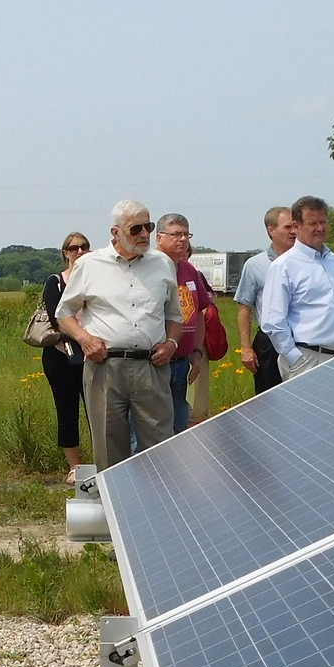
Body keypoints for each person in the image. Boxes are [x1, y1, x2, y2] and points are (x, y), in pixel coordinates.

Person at [55, 201, 181, 469]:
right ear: (115, 232)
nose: (144, 234)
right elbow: (64, 314)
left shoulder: (163, 264)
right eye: (136, 229)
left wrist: (171, 343)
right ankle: (116, 508)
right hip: (105, 367)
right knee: (109, 444)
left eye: (148, 226)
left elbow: (174, 315)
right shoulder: (89, 265)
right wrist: (85, 339)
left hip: (152, 367)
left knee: (159, 445)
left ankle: (158, 507)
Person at [260, 196, 334, 380]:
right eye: (312, 223)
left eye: (323, 222)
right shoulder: (284, 266)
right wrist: (295, 358)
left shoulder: (333, 260)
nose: (320, 228)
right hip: (309, 359)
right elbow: (273, 322)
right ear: (296, 226)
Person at [155, 215, 216, 434]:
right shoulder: (149, 268)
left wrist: (197, 352)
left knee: (179, 424)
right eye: (176, 234)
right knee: (150, 428)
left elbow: (199, 313)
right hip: (154, 363)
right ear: (159, 238)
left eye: (186, 234)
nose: (182, 239)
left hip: (183, 362)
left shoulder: (189, 270)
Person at [40, 233, 90, 481]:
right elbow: (56, 317)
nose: (79, 252)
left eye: (84, 247)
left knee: (98, 411)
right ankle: (74, 466)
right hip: (61, 355)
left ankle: (103, 462)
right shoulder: (56, 282)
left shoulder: (97, 280)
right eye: (74, 248)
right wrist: (80, 337)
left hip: (95, 354)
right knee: (67, 410)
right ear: (65, 252)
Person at [233, 206, 297, 394]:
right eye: (287, 227)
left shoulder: (307, 262)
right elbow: (244, 308)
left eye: (295, 226)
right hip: (269, 342)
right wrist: (246, 348)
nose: (294, 232)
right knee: (269, 400)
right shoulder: (255, 266)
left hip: (302, 340)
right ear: (271, 230)